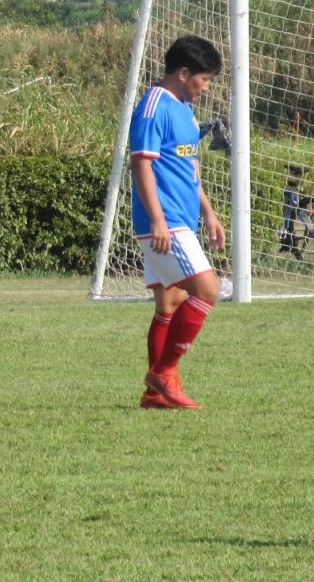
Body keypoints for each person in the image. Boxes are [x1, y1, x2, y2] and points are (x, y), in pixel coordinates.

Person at [129, 34, 225, 410]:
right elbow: (141, 163)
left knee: (170, 303)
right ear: (183, 73)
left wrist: (208, 212)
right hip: (165, 223)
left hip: (182, 219)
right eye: (204, 79)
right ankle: (164, 373)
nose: (207, 87)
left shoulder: (184, 109)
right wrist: (157, 220)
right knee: (207, 290)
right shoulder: (154, 106)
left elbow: (189, 168)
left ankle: (155, 394)